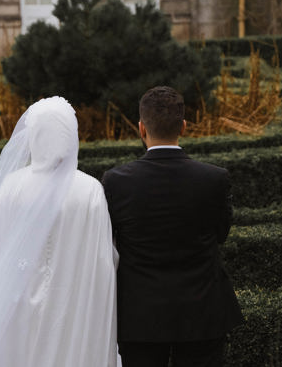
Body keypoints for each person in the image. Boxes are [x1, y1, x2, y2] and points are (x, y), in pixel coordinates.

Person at [0, 96, 119, 367]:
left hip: (16, 307)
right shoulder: (89, 190)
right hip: (72, 305)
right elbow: (103, 262)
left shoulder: (11, 187)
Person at [102, 86, 243, 367]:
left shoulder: (116, 181)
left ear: (141, 129)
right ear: (184, 127)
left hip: (139, 315)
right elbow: (221, 234)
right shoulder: (214, 178)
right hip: (202, 311)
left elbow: (110, 243)